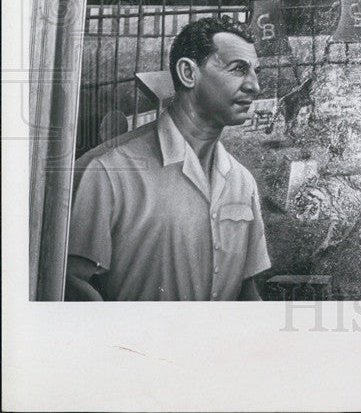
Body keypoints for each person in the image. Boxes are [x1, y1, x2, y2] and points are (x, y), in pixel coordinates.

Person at [66, 17, 271, 300]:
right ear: (188, 73)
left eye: (255, 72)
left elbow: (248, 294)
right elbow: (69, 289)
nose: (255, 87)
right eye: (238, 69)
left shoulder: (242, 181)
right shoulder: (107, 171)